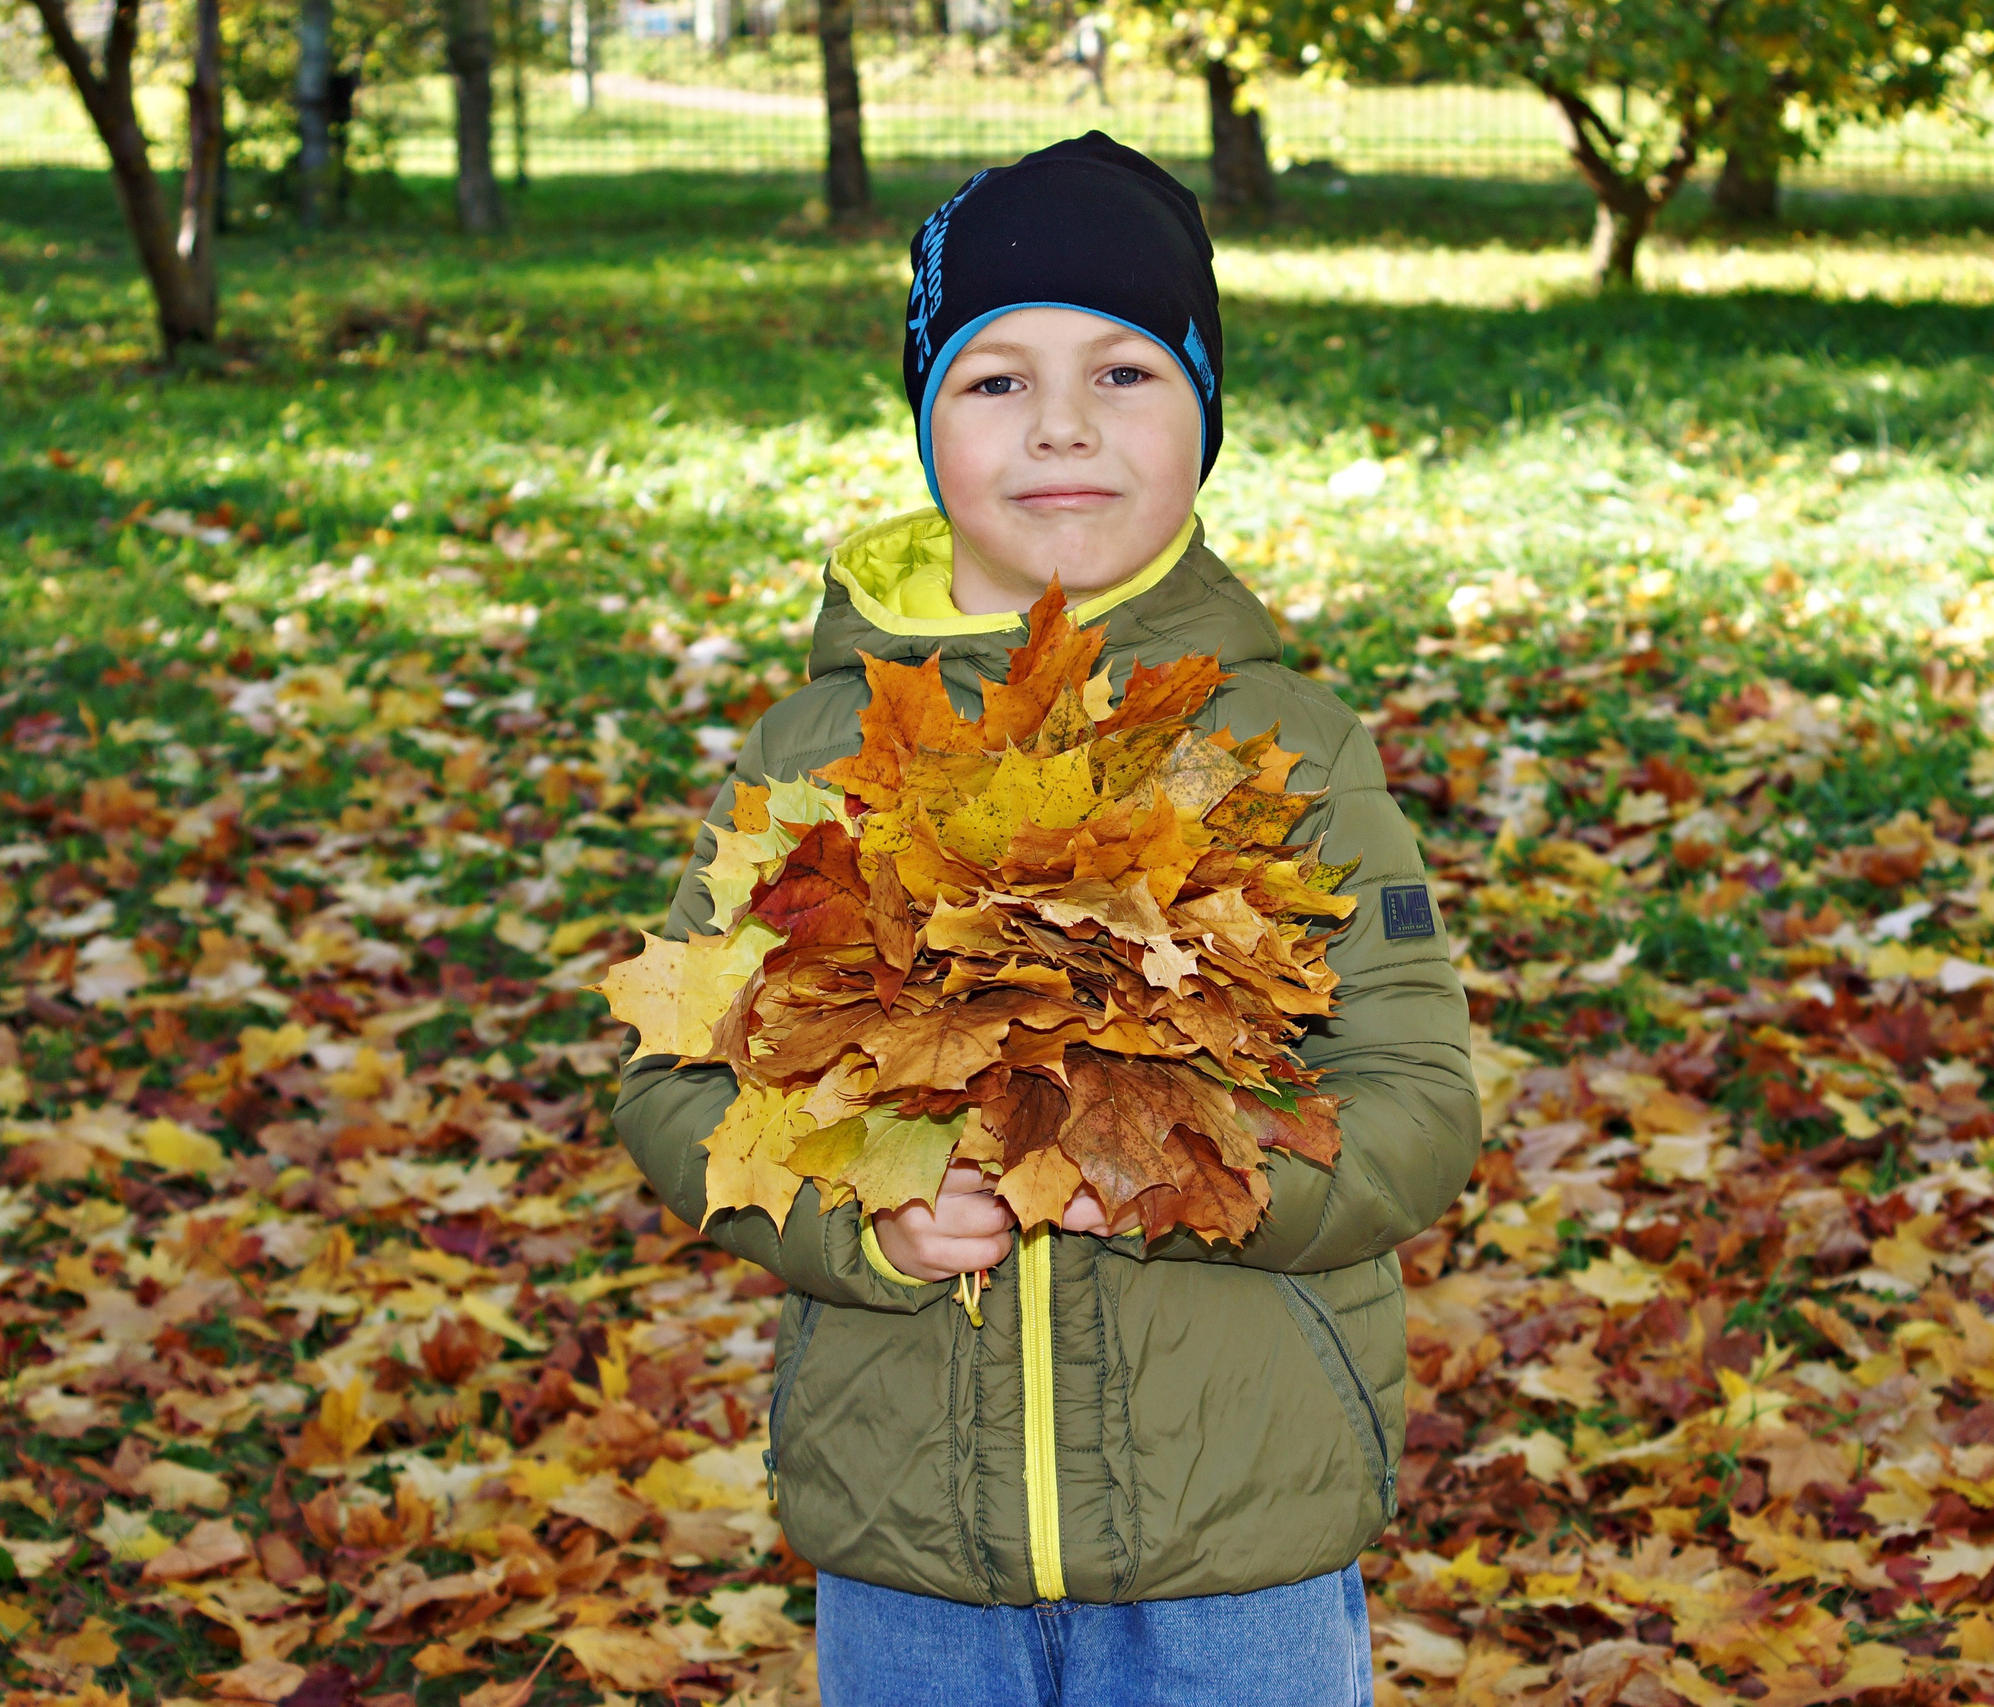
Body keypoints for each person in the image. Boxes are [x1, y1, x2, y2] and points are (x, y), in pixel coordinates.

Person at [614, 133, 1477, 1707]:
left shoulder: (1282, 745)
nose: (1062, 424)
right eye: (995, 378)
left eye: (1127, 372)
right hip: (909, 1543)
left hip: (1244, 1543)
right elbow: (683, 1088)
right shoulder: (815, 755)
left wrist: (1190, 1176)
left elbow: (1418, 1105)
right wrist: (856, 1220)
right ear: (924, 420)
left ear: (1206, 416)